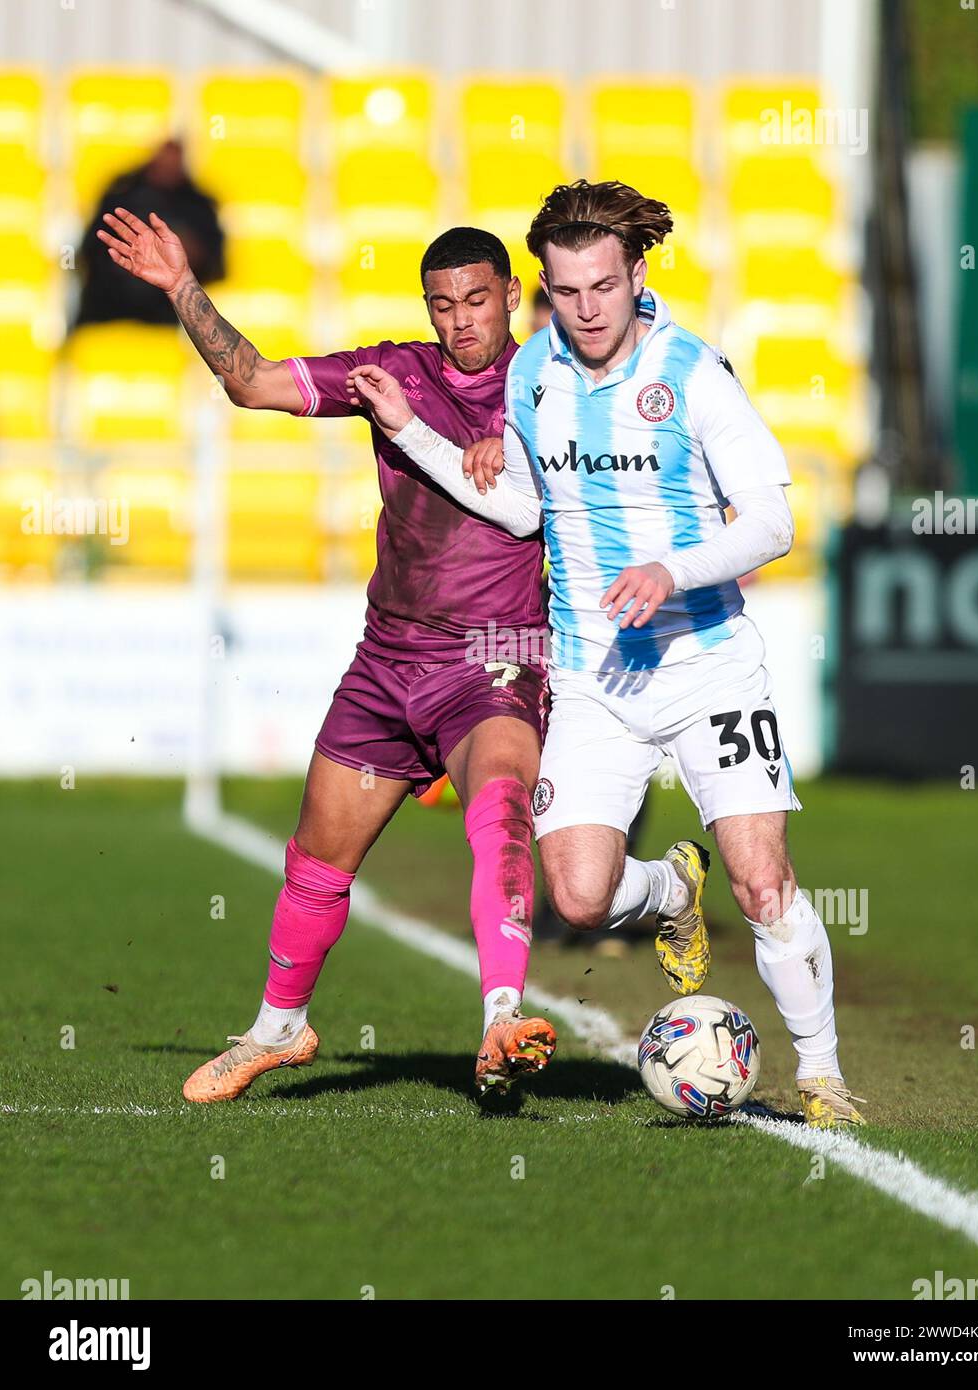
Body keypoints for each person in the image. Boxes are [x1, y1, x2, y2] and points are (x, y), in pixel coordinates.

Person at [345, 179, 864, 1129]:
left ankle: (823, 1074)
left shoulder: (694, 374)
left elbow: (775, 522)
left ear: (635, 275)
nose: (586, 310)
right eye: (566, 291)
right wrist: (413, 434)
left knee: (760, 876)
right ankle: (669, 888)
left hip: (707, 665)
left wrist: (672, 570)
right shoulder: (531, 372)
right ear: (543, 288)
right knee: (578, 897)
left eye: (602, 287)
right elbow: (524, 512)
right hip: (592, 678)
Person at [98, 208, 555, 1100]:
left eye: (476, 299)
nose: (461, 320)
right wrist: (181, 287)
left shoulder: (550, 386)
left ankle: (503, 1015)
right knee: (315, 860)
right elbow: (254, 383)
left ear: (509, 295)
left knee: (499, 812)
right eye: (442, 304)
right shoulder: (398, 372)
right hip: (388, 657)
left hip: (496, 655)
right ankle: (279, 1028)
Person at [76, 140, 224, 329]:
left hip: (167, 316)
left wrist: (193, 256)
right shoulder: (121, 192)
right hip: (107, 309)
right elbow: (89, 249)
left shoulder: (199, 205)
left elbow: (217, 265)